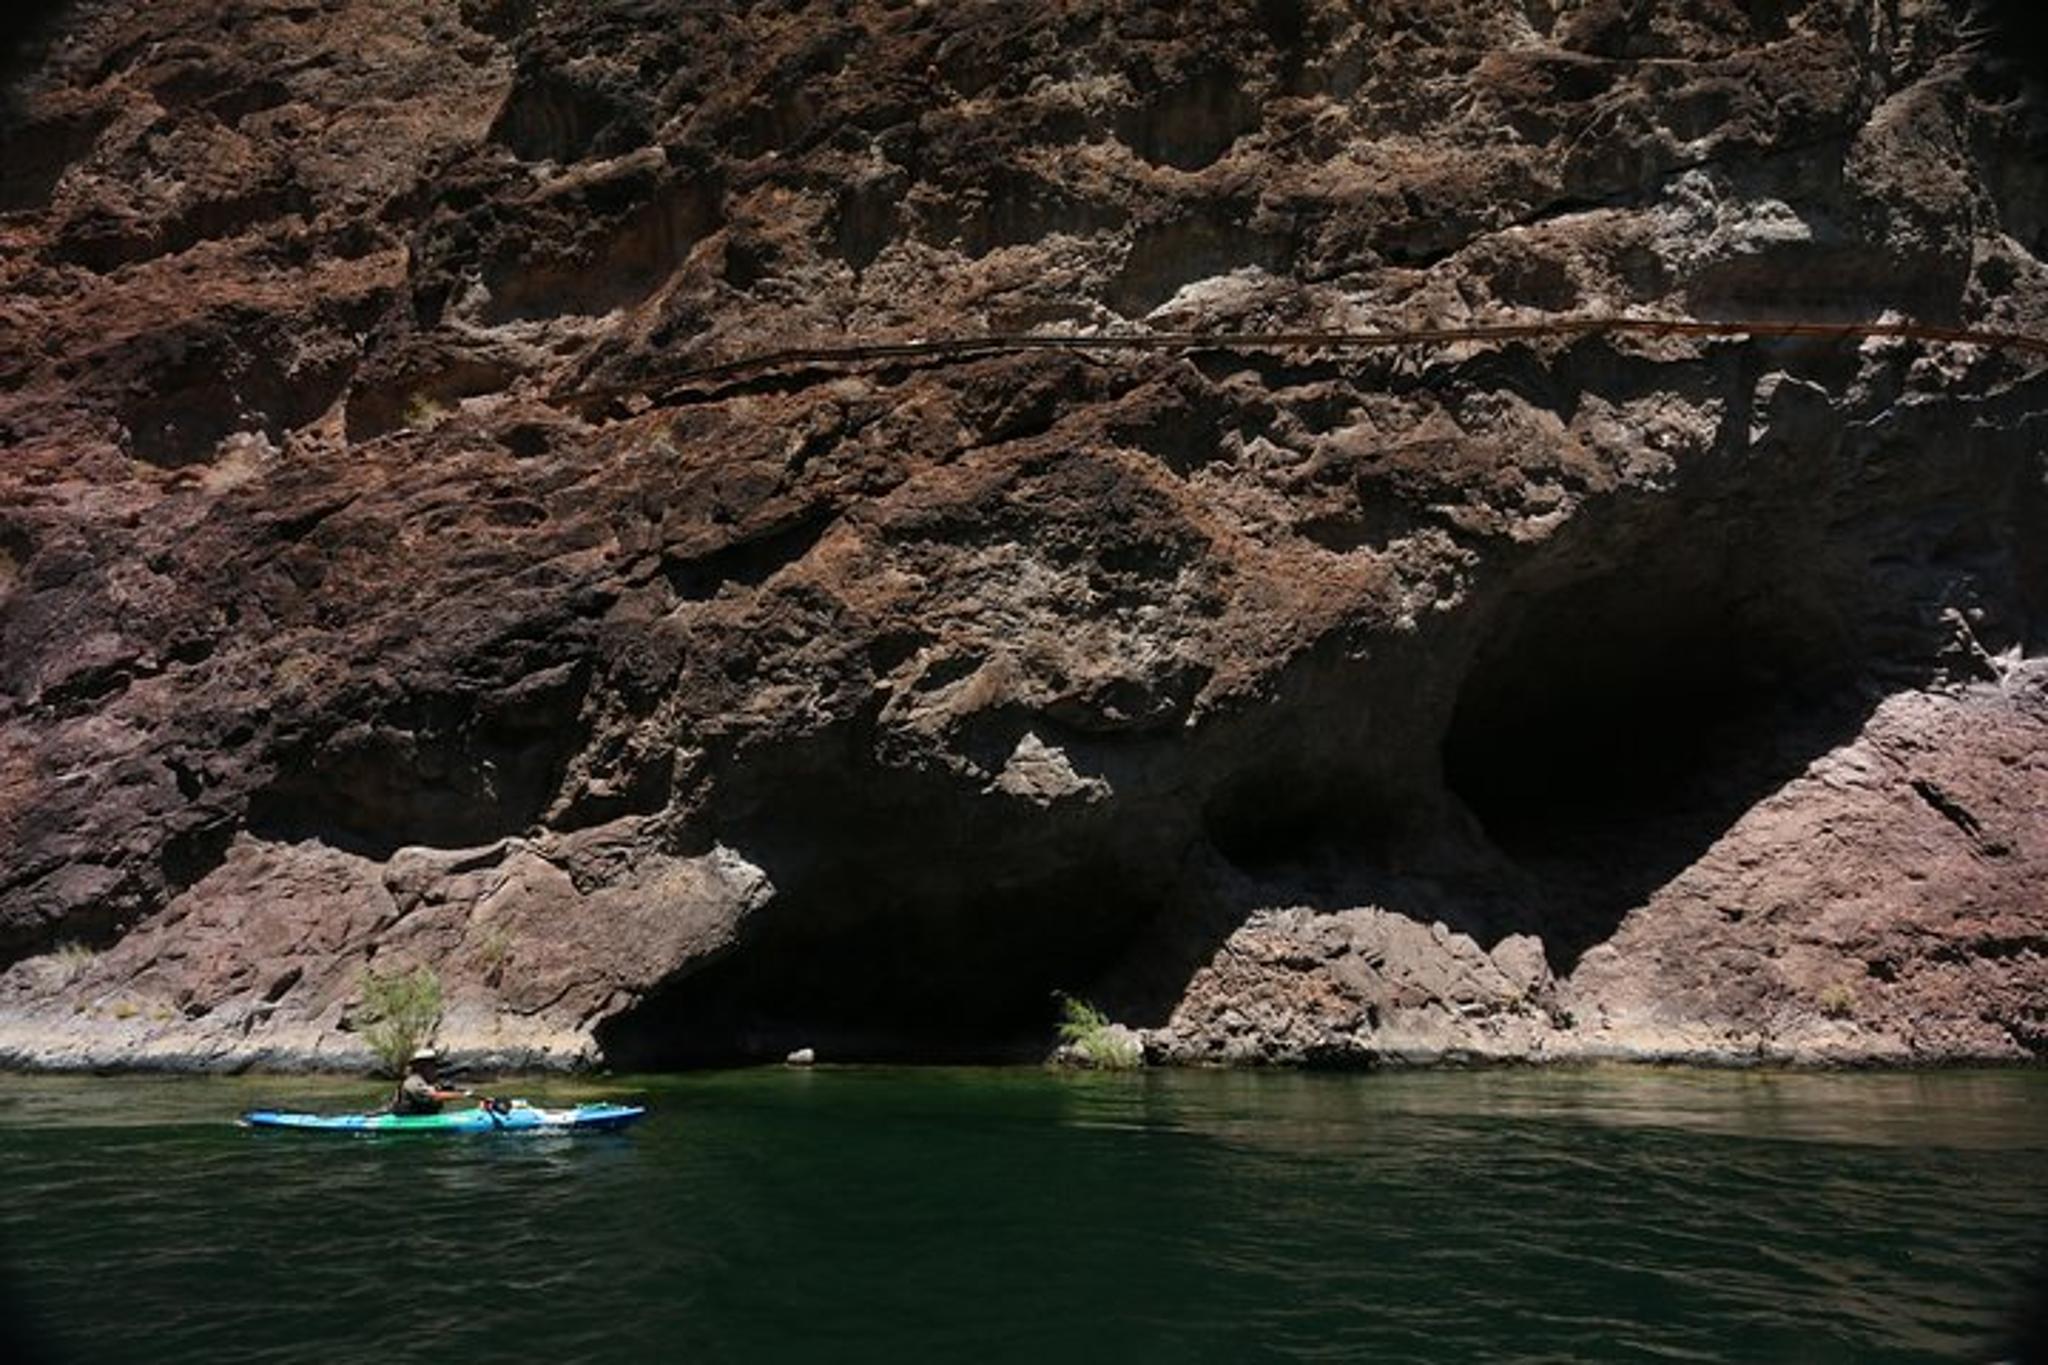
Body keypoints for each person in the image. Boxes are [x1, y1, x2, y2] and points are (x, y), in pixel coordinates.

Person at [390, 1047, 469, 1115]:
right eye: (432, 1066)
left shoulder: (429, 1082)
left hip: (424, 1119)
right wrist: (463, 1095)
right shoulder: (412, 1082)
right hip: (407, 1121)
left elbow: (440, 1091)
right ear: (420, 1067)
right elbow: (435, 1096)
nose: (435, 1069)